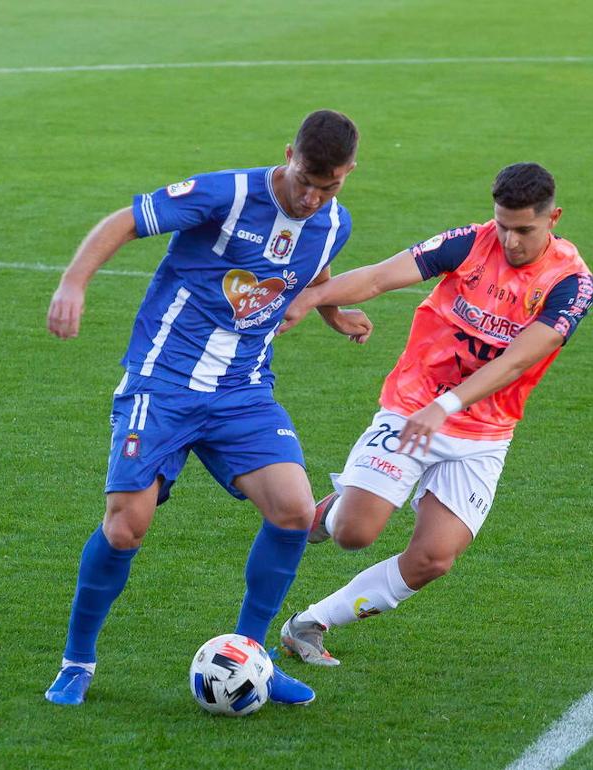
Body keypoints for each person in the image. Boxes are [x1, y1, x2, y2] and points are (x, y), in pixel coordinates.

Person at [43, 110, 371, 706]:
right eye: (305, 180)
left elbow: (311, 270)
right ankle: (78, 661)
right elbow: (125, 220)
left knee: (296, 511)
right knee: (126, 526)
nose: (312, 197)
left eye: (329, 187)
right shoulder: (227, 193)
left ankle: (252, 656)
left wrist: (331, 312)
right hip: (162, 383)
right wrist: (73, 283)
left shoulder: (332, 222)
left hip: (242, 391)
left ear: (348, 173)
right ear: (288, 155)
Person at [276, 162, 593, 666]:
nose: (510, 241)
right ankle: (331, 511)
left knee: (433, 559)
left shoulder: (570, 284)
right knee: (353, 535)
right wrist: (315, 297)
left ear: (553, 218)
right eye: (502, 226)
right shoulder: (470, 243)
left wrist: (445, 407)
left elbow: (517, 360)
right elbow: (382, 276)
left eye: (524, 230)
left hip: (482, 431)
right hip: (412, 403)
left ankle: (309, 623)